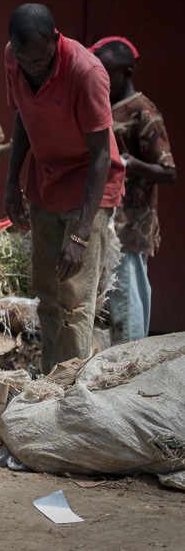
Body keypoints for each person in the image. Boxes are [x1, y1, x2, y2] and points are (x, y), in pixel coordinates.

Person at [2, 4, 126, 373]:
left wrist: (83, 233)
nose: (31, 67)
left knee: (75, 299)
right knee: (48, 294)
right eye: (25, 60)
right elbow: (23, 115)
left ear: (56, 39)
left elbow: (102, 154)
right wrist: (12, 182)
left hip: (89, 186)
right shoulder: (15, 58)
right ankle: (52, 381)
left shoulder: (86, 72)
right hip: (45, 185)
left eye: (39, 59)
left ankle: (75, 392)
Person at [91, 37, 176, 345]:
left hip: (131, 226)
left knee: (128, 304)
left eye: (107, 73)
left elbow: (169, 173)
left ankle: (131, 371)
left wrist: (132, 163)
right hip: (107, 223)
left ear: (126, 74)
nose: (100, 79)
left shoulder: (143, 111)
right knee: (111, 301)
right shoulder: (105, 107)